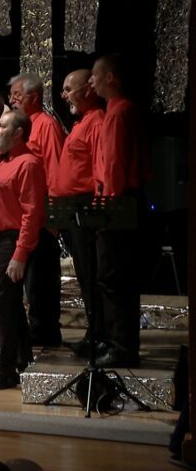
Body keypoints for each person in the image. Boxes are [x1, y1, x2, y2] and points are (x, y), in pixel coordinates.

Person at [0, 111, 46, 390]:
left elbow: (32, 213)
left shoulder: (28, 164)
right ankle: (22, 360)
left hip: (11, 241)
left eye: (2, 126)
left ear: (18, 133)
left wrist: (20, 253)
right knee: (9, 306)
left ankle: (5, 370)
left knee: (3, 306)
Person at [89, 53, 145, 368]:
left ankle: (121, 346)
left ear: (110, 77)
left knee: (114, 279)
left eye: (95, 76)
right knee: (113, 279)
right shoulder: (116, 111)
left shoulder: (120, 112)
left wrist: (107, 210)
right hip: (118, 202)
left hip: (118, 206)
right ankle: (118, 343)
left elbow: (114, 166)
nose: (92, 82)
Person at [8, 73, 65, 347]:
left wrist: (53, 217)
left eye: (17, 95)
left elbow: (55, 172)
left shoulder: (47, 126)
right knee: (28, 280)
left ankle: (45, 333)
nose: (12, 100)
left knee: (41, 281)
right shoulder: (20, 128)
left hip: (41, 217)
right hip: (20, 217)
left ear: (34, 97)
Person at [51, 69, 105, 356]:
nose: (63, 95)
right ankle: (94, 332)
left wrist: (98, 214)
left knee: (91, 274)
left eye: (68, 88)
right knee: (85, 274)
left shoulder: (96, 121)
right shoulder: (82, 121)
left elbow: (100, 169)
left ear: (88, 89)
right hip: (73, 209)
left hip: (86, 207)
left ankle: (99, 334)